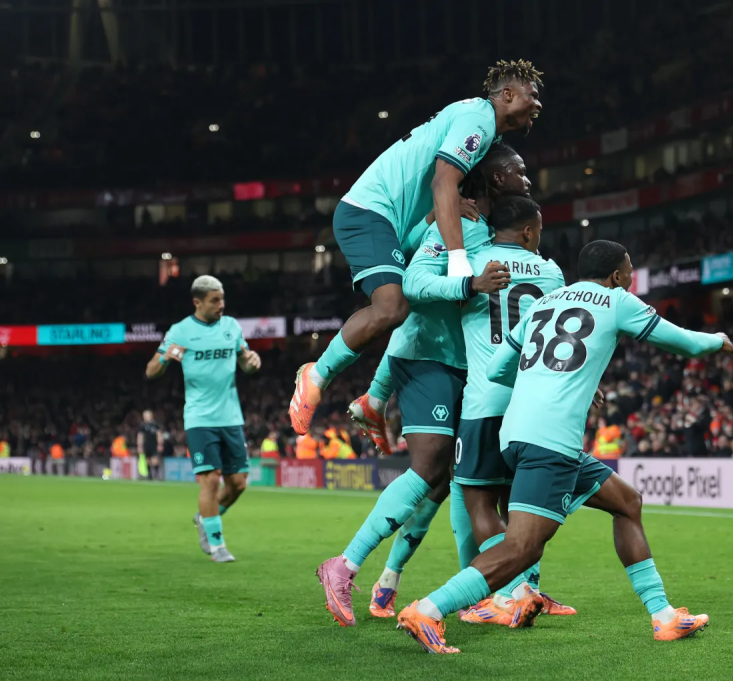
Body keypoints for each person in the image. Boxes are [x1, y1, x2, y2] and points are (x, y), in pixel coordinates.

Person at [397, 240, 733, 653]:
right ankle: (428, 609)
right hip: (551, 440)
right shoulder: (617, 301)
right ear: (616, 276)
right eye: (629, 271)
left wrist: (545, 383)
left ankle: (664, 617)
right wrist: (718, 338)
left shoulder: (546, 301)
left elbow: (499, 366)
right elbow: (685, 342)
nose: (630, 279)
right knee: (521, 549)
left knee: (627, 502)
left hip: (517, 432)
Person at [315, 143, 532, 627]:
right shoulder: (457, 227)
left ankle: (442, 587)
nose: (529, 179)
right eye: (519, 171)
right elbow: (412, 286)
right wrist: (468, 285)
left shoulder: (484, 232)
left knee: (452, 483)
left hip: (465, 366)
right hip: (427, 355)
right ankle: (344, 565)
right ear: (495, 180)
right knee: (431, 466)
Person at [289, 60, 544, 436]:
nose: (537, 104)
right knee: (394, 306)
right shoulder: (480, 117)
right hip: (371, 211)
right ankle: (318, 374)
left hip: (399, 224)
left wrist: (437, 214)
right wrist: (459, 265)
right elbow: (444, 182)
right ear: (506, 95)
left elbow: (445, 190)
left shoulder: (485, 132)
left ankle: (375, 400)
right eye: (532, 95)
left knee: (422, 305)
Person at [451, 195, 579, 626]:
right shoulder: (550, 270)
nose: (539, 238)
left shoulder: (469, 261)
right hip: (531, 403)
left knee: (480, 504)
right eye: (539, 230)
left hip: (486, 397)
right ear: (528, 231)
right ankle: (528, 589)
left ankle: (509, 594)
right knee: (518, 506)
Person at [145, 275, 262, 563]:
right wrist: (165, 357)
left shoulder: (231, 327)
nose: (221, 305)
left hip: (231, 417)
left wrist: (251, 362)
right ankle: (217, 545)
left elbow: (245, 362)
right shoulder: (180, 331)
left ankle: (205, 518)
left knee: (238, 484)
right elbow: (151, 371)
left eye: (222, 299)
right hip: (199, 418)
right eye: (215, 301)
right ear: (197, 302)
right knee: (210, 481)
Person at [137, 410, 162, 480]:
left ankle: (156, 474)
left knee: (155, 460)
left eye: (147, 415)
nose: (146, 417)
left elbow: (159, 434)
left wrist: (160, 444)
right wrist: (139, 446)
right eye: (145, 416)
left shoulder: (155, 425)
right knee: (147, 460)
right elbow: (140, 436)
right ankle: (149, 475)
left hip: (154, 444)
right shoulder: (142, 425)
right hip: (146, 444)